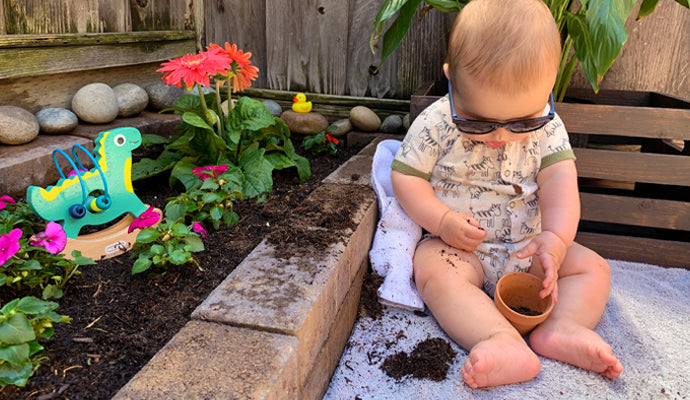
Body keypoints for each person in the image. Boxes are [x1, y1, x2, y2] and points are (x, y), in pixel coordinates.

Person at [389, 0, 623, 388]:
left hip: (532, 249)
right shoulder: (437, 123)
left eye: (522, 122)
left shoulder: (548, 129)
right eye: (478, 122)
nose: (501, 136)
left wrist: (557, 241)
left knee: (593, 268)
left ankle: (562, 327)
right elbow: (406, 178)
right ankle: (497, 339)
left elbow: (560, 183)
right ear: (451, 80)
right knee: (432, 270)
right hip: (461, 251)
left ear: (546, 93)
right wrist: (442, 221)